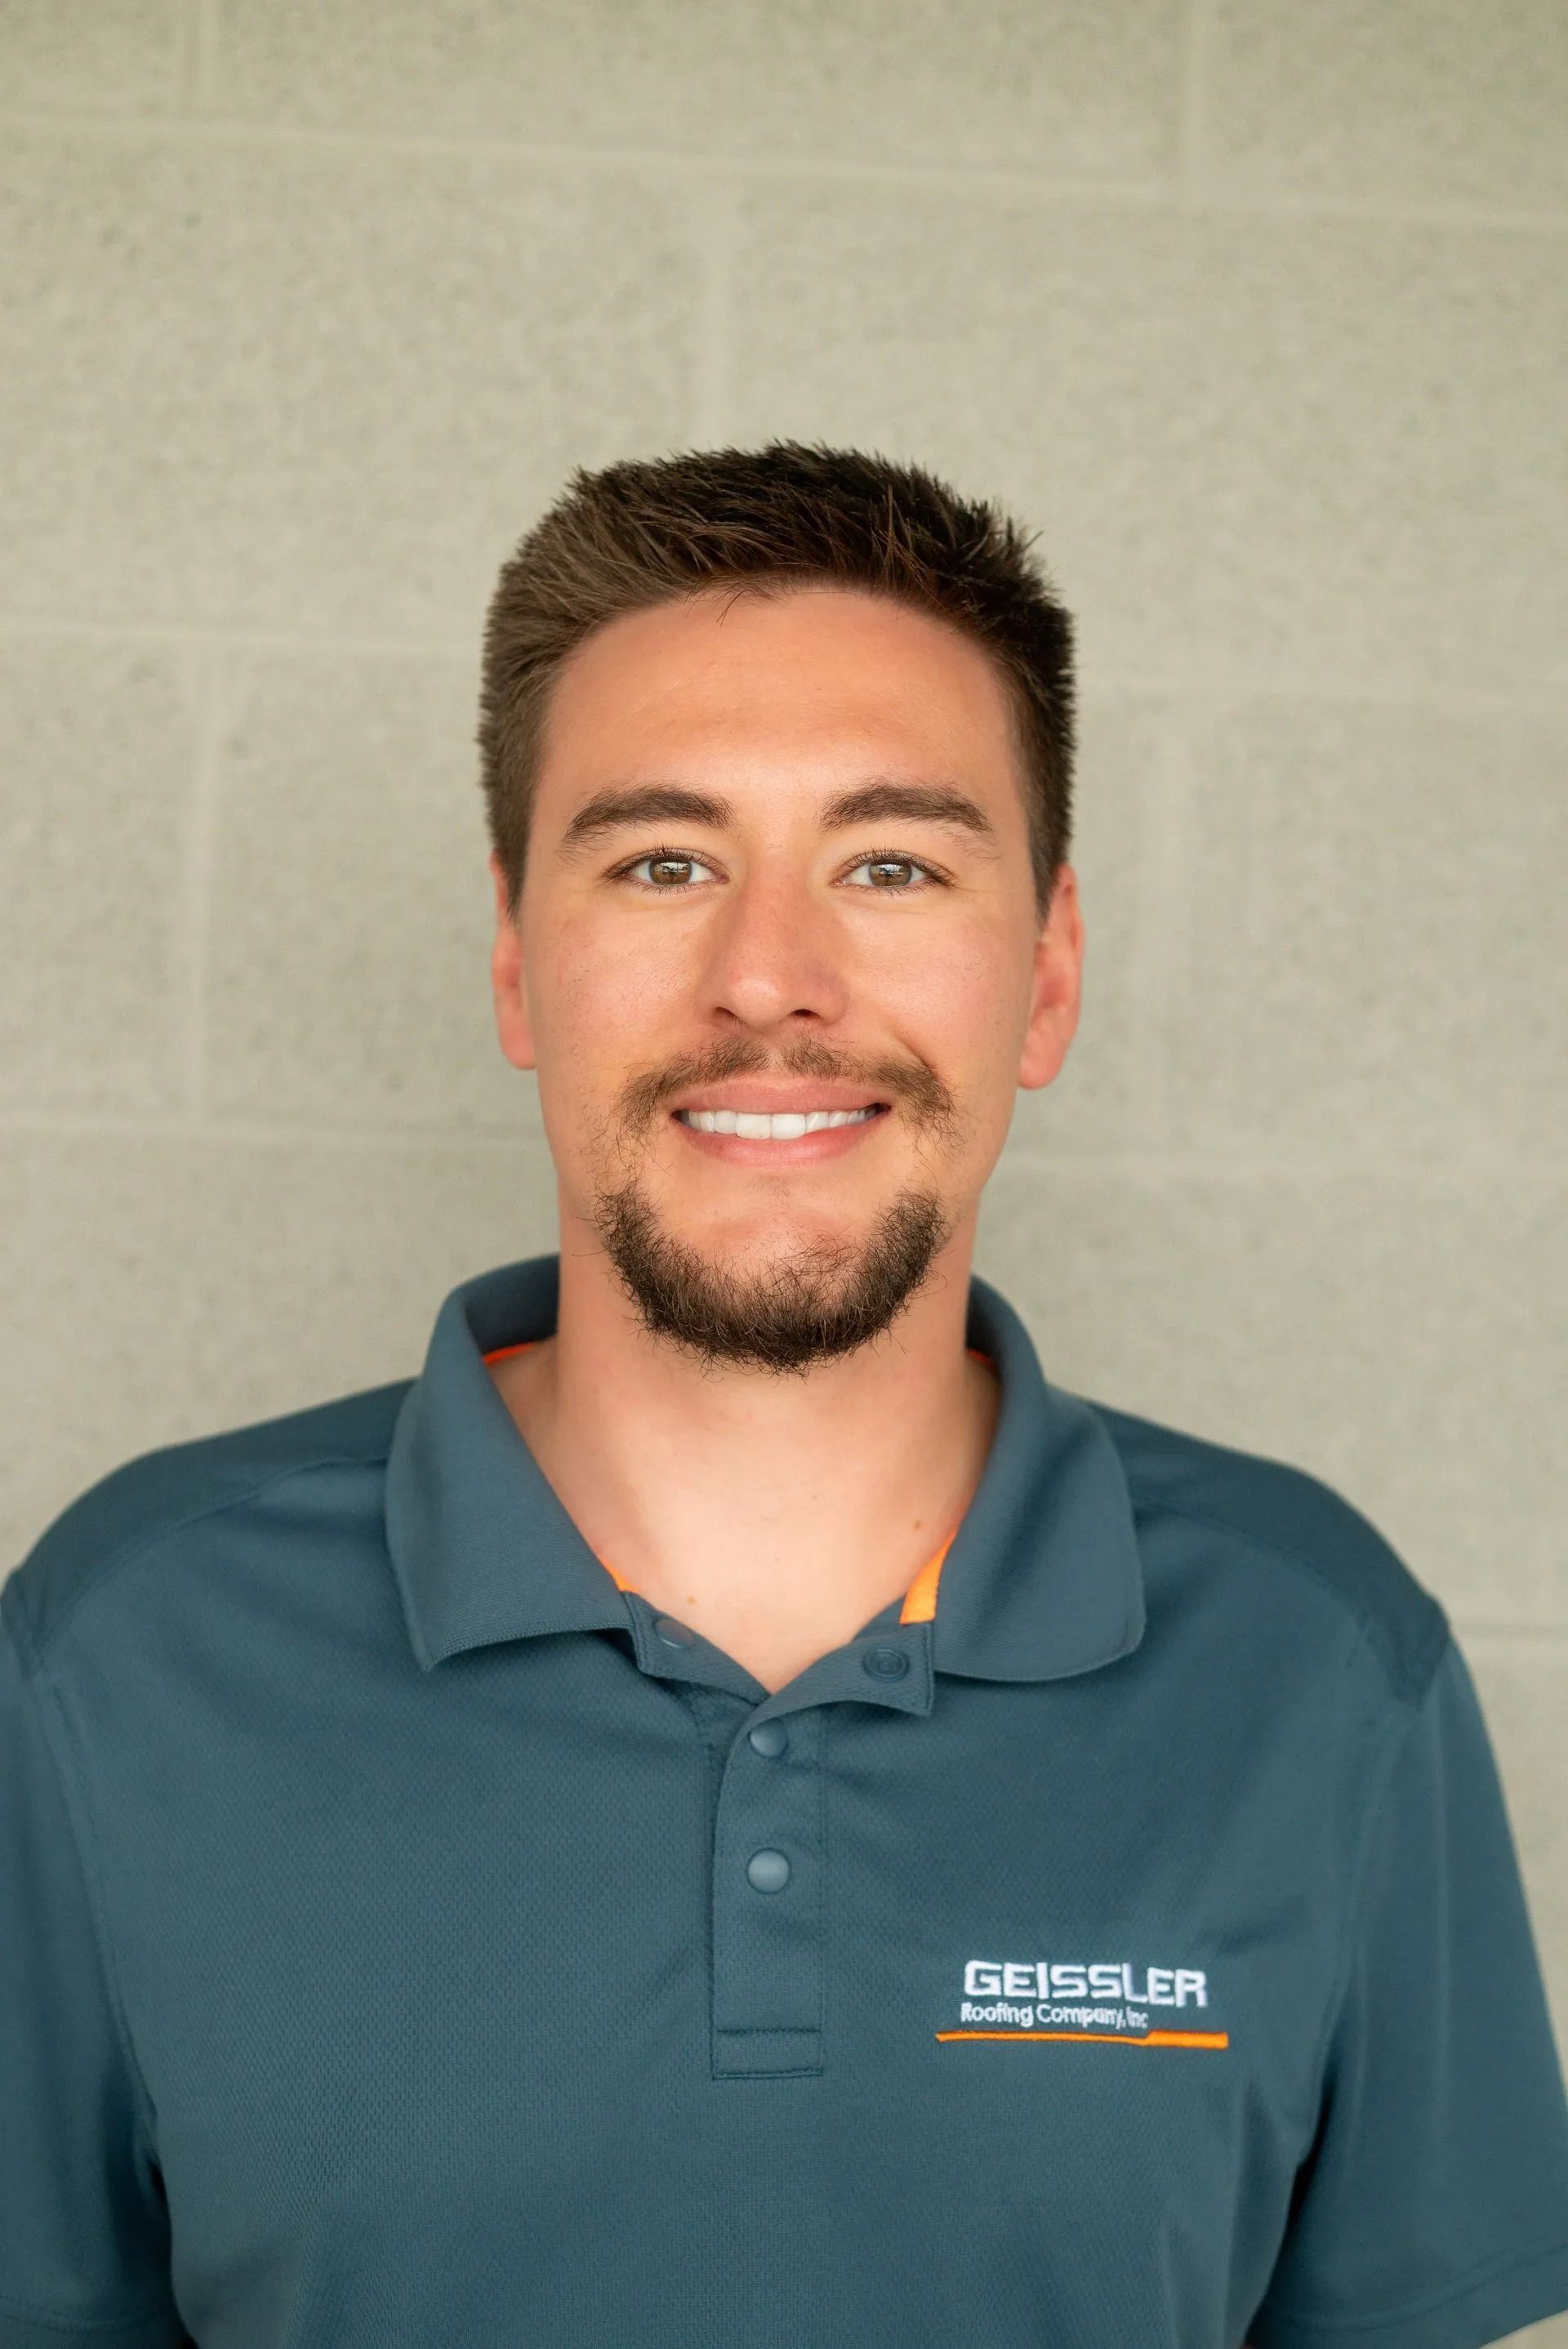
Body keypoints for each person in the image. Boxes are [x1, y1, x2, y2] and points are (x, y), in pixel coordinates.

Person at [3, 442, 1566, 2349]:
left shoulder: (1325, 1663)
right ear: (517, 959)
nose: (772, 978)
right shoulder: (115, 1648)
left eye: (891, 862)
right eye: (666, 861)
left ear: (1049, 970)